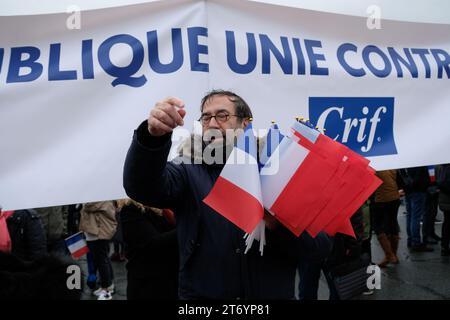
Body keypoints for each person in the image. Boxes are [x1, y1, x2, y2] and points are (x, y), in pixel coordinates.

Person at [124, 90, 311, 299]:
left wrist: (278, 224)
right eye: (206, 117)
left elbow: (317, 247)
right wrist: (152, 139)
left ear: (245, 124)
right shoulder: (187, 169)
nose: (212, 124)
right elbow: (141, 187)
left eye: (222, 116)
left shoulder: (277, 171)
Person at [119, 199, 179, 300]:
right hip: (148, 285)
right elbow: (152, 244)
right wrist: (186, 228)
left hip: (171, 281)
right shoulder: (130, 209)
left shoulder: (165, 207)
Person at [79, 201, 117, 300]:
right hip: (93, 234)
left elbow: (90, 206)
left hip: (100, 234)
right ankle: (106, 286)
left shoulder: (101, 200)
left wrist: (84, 204)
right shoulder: (94, 199)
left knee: (102, 261)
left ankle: (107, 290)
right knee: (101, 260)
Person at [398, 167, 433, 252]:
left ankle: (411, 240)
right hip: (418, 190)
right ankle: (416, 242)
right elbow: (422, 178)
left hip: (409, 190)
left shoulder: (404, 162)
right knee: (415, 217)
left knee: (410, 216)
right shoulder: (418, 163)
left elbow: (401, 176)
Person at [372, 170, 401, 267]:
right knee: (392, 224)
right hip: (394, 197)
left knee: (377, 226)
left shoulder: (375, 166)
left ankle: (389, 255)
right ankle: (393, 255)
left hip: (380, 199)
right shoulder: (390, 164)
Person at [436, 164, 450, 256]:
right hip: (447, 199)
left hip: (445, 199)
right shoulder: (447, 167)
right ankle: (445, 247)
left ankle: (444, 246)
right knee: (448, 223)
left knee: (447, 223)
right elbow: (443, 183)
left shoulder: (440, 166)